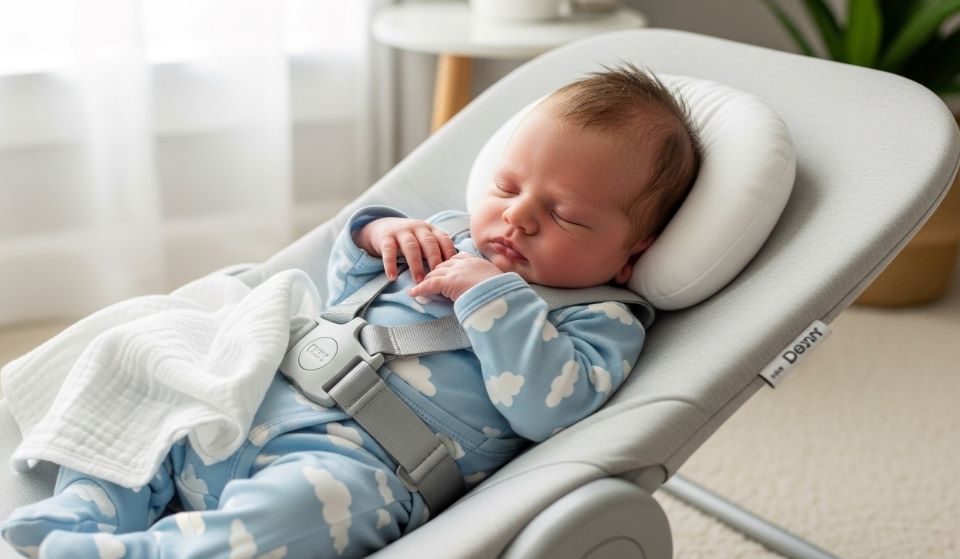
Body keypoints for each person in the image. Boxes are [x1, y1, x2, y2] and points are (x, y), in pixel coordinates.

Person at [1, 64, 702, 559]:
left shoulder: (601, 318)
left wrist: (492, 295)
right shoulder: (455, 230)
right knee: (148, 411)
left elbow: (549, 407)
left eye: (563, 215)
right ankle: (73, 520)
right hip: (249, 398)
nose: (515, 218)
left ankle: (145, 551)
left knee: (307, 513)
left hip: (359, 461)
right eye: (509, 186)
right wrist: (377, 234)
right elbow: (349, 289)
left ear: (630, 253)